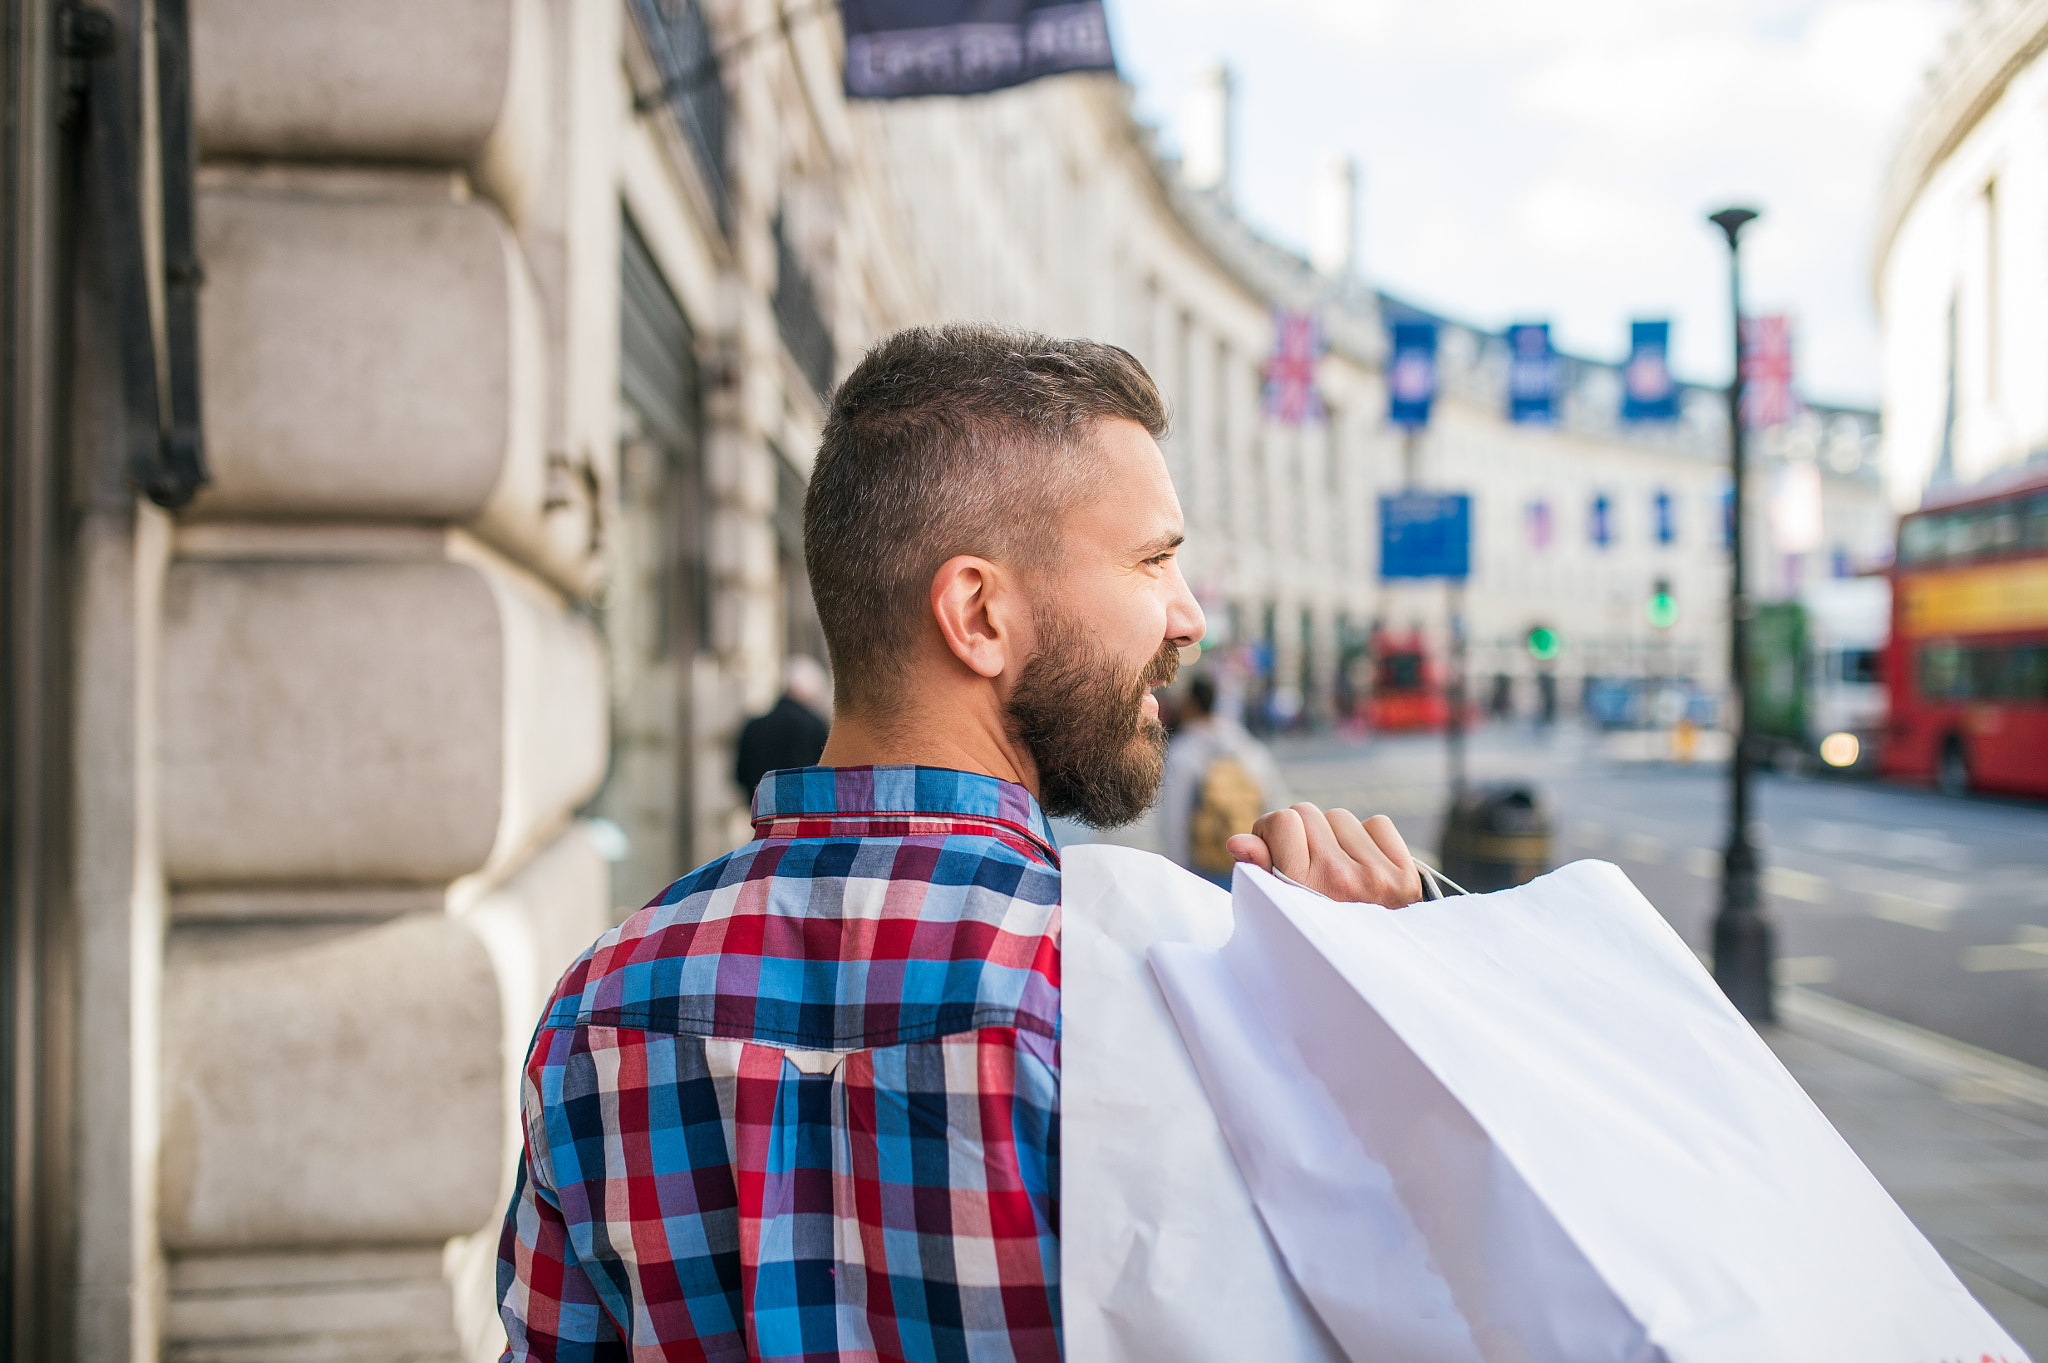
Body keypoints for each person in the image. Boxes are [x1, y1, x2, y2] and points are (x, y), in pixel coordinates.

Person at [497, 324, 1423, 1361]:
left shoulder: (598, 1006)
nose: (1188, 617)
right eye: (1152, 561)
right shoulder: (1179, 997)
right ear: (976, 613)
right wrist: (1384, 1032)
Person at [1159, 672, 1292, 886]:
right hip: (1250, 866)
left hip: (1203, 868)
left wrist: (1178, 873)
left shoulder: (1183, 752)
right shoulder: (1247, 746)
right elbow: (1274, 803)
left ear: (1191, 704)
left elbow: (1174, 819)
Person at [732, 654, 831, 796]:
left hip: (760, 811)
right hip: (805, 812)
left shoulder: (754, 726)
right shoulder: (816, 726)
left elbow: (740, 776)